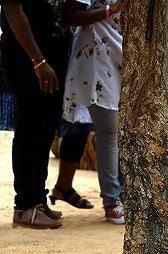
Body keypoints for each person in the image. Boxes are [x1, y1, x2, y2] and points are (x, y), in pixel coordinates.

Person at [1, 0, 70, 229]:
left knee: (45, 128)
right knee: (30, 127)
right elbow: (12, 9)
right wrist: (38, 62)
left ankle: (38, 200)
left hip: (52, 56)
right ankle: (25, 206)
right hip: (28, 58)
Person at [61, 0, 124, 224]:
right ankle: (112, 202)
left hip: (119, 55)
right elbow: (71, 14)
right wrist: (109, 11)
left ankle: (119, 196)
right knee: (109, 134)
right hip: (99, 60)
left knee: (117, 133)